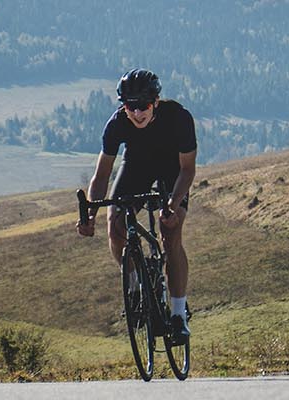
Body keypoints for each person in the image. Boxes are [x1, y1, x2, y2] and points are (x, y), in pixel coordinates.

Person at [77, 68, 197, 341]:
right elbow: (102, 175)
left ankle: (178, 315)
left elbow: (187, 170)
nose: (137, 112)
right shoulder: (117, 124)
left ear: (155, 101)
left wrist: (172, 204)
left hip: (172, 172)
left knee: (171, 235)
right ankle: (133, 283)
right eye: (130, 106)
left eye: (143, 105)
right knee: (115, 226)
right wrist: (91, 214)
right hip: (137, 167)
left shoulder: (179, 118)